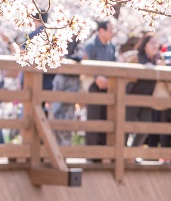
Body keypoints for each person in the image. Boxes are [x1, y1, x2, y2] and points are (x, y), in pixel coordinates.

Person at [125, 33, 164, 148]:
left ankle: (133, 151)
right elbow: (127, 74)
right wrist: (142, 70)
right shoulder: (136, 57)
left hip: (149, 98)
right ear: (145, 44)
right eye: (152, 43)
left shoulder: (159, 59)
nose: (155, 46)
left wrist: (158, 67)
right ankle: (122, 153)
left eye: (157, 43)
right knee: (127, 126)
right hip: (133, 96)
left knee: (145, 125)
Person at [84, 21, 117, 149]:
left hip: (108, 86)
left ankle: (103, 149)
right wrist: (96, 77)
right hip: (94, 84)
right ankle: (91, 150)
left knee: (106, 117)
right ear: (102, 31)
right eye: (110, 30)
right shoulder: (90, 45)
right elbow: (85, 63)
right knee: (94, 117)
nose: (112, 33)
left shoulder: (111, 47)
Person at [51, 38, 84, 146]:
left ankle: (64, 149)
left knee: (67, 118)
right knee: (57, 115)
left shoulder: (77, 42)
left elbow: (80, 57)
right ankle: (58, 149)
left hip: (70, 83)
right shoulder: (58, 38)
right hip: (62, 82)